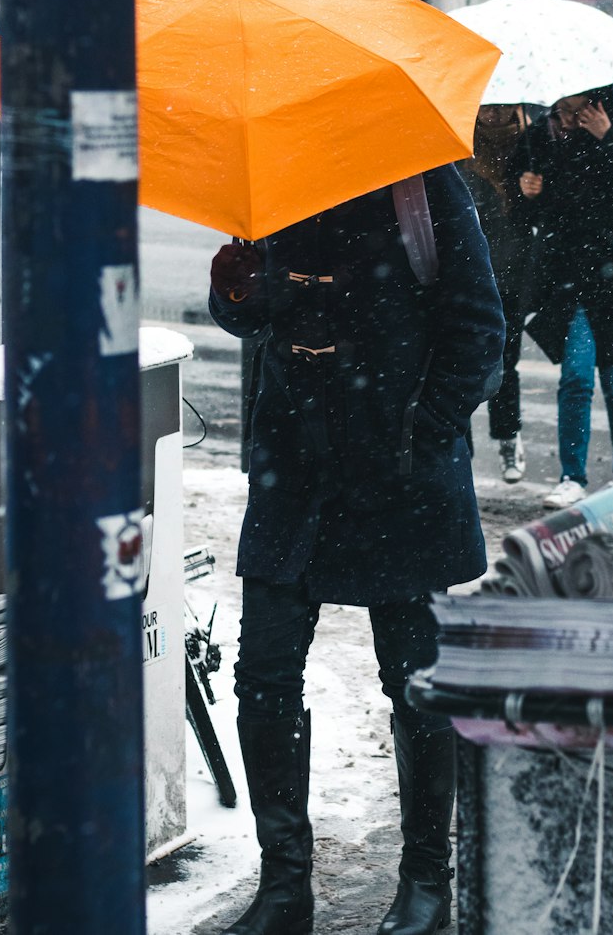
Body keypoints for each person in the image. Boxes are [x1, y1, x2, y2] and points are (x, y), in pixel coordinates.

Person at [208, 164, 506, 935]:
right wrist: (239, 292)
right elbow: (259, 317)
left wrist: (419, 431)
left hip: (397, 476)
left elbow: (480, 328)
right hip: (295, 469)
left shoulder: (421, 185)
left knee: (413, 683)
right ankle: (285, 888)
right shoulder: (277, 178)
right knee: (264, 675)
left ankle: (426, 881)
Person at [518, 87, 613, 509]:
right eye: (562, 108)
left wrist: (607, 136)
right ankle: (572, 475)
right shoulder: (541, 134)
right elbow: (536, 213)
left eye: (575, 108)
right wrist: (530, 194)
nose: (568, 116)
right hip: (569, 273)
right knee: (575, 378)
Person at [458, 103, 535, 483]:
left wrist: (532, 192)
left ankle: (508, 437)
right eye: (487, 105)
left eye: (503, 106)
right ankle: (461, 448)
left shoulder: (534, 143)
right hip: (468, 268)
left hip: (512, 268)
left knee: (506, 362)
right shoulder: (460, 143)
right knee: (460, 361)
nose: (494, 113)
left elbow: (546, 211)